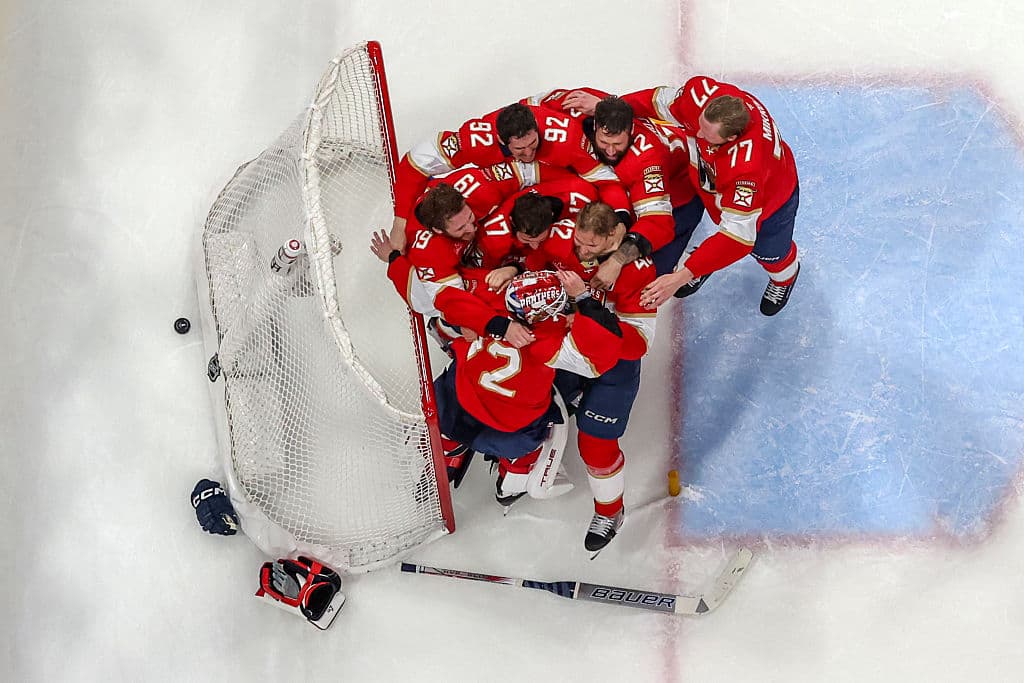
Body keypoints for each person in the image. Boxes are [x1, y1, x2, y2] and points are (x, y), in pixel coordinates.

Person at [565, 78, 801, 315]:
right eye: (699, 124)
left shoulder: (747, 169)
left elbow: (738, 238)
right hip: (716, 188)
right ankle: (704, 262)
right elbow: (656, 102)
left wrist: (681, 276)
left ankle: (784, 278)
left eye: (707, 136)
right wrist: (609, 107)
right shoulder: (699, 96)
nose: (697, 134)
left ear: (731, 138)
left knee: (771, 253)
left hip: (772, 203)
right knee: (719, 226)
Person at [525, 201, 657, 552]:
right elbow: (537, 264)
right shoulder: (567, 239)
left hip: (614, 364)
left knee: (595, 443)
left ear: (615, 235)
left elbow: (637, 345)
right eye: (578, 243)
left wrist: (586, 311)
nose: (581, 253)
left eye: (591, 247)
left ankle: (610, 512)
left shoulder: (639, 270)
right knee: (529, 386)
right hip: (574, 348)